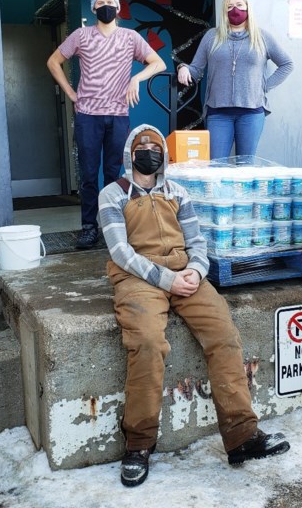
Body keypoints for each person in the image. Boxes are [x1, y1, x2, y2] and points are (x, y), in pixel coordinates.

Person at [98, 124, 290, 487]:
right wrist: (166, 279)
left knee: (223, 333)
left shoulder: (178, 192)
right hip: (138, 278)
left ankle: (241, 436)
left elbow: (197, 240)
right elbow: (120, 252)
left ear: (164, 154)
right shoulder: (113, 194)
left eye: (155, 146)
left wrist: (196, 271)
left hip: (184, 275)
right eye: (142, 146)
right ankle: (139, 444)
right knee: (148, 343)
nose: (149, 151)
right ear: (130, 153)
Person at [47, 0, 166, 249]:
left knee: (115, 174)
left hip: (118, 115)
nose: (106, 6)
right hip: (88, 115)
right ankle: (89, 227)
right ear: (93, 7)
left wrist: (136, 79)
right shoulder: (81, 35)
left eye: (110, 2)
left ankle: (114, 226)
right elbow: (53, 61)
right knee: (89, 174)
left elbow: (157, 62)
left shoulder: (130, 38)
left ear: (118, 7)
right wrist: (70, 92)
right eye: (101, 2)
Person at [176, 0, 293, 160]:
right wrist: (183, 68)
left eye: (239, 5)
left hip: (252, 112)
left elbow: (286, 64)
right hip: (218, 113)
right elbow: (196, 68)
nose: (235, 10)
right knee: (217, 165)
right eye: (229, 6)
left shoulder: (261, 37)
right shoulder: (212, 36)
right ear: (224, 10)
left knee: (245, 166)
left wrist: (263, 87)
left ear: (247, 7)